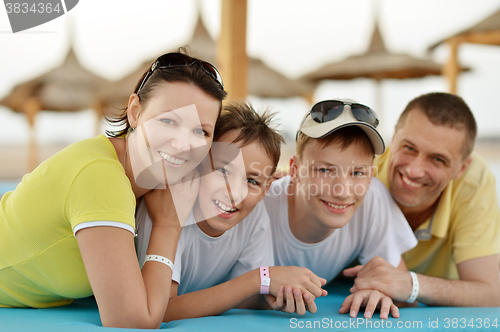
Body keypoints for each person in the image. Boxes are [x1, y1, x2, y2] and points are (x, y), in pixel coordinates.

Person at [0, 50, 227, 329]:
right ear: (135, 111)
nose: (183, 144)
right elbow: (131, 321)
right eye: (168, 121)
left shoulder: (145, 174)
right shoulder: (101, 177)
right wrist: (169, 224)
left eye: (201, 132)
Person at [135, 102, 328, 322]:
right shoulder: (167, 207)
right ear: (196, 164)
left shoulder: (254, 216)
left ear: (265, 190)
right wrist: (259, 280)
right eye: (223, 170)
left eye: (252, 180)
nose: (235, 192)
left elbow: (241, 293)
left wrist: (271, 298)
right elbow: (160, 310)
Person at [263, 99, 418, 319]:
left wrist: (382, 293)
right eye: (325, 170)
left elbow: (400, 286)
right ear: (295, 170)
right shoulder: (262, 204)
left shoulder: (373, 195)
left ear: (370, 176)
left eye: (357, 173)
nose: (342, 191)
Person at [344, 92, 500, 306]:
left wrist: (410, 285)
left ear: (461, 168)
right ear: (394, 138)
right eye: (409, 148)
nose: (414, 171)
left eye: (438, 159)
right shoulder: (355, 166)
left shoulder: (474, 183)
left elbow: (490, 294)